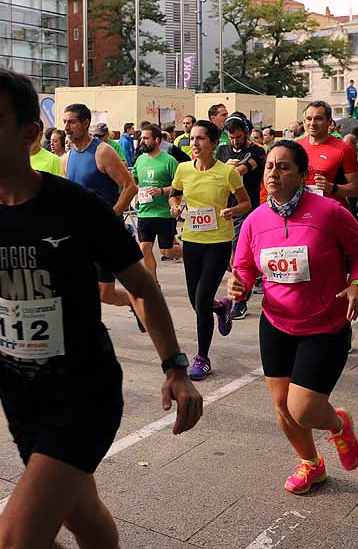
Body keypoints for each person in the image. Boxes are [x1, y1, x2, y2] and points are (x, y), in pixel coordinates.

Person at [0, 68, 203, 549]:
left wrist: (175, 367)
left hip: (84, 393)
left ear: (29, 133)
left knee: (14, 540)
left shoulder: (77, 208)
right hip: (18, 397)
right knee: (82, 516)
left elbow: (143, 288)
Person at [229, 139, 358, 494]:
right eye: (269, 167)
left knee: (304, 408)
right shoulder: (255, 220)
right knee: (282, 406)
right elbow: (245, 264)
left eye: (284, 166)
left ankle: (337, 424)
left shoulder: (330, 212)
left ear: (302, 174)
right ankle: (311, 463)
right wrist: (240, 284)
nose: (273, 173)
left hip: (325, 324)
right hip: (276, 322)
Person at [169, 119, 251, 380]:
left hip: (217, 242)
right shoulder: (183, 169)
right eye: (192, 138)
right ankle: (220, 308)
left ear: (214, 143)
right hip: (192, 240)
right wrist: (174, 206)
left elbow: (246, 203)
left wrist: (232, 210)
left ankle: (202, 357)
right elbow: (174, 194)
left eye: (201, 138)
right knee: (196, 300)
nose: (194, 143)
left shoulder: (228, 173)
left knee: (202, 298)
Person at [61, 104, 145, 322]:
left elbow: (130, 187)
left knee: (105, 293)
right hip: (80, 236)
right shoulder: (66, 158)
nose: (66, 128)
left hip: (105, 236)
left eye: (71, 122)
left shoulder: (102, 151)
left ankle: (134, 300)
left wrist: (109, 218)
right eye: (64, 122)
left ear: (85, 123)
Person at [217, 114, 266, 321]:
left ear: (246, 133)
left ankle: (240, 302)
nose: (235, 141)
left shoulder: (257, 150)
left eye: (238, 137)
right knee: (228, 258)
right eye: (231, 137)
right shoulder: (222, 150)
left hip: (248, 209)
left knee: (238, 257)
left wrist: (227, 168)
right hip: (224, 209)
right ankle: (257, 273)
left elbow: (242, 170)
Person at [134, 124, 181, 278]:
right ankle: (153, 285)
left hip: (163, 213)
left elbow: (179, 186)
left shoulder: (169, 161)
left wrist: (161, 191)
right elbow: (133, 180)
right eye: (142, 138)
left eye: (146, 138)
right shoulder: (140, 159)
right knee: (144, 249)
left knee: (167, 251)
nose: (142, 141)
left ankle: (194, 251)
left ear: (157, 140)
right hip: (144, 212)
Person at [297, 101, 358, 203]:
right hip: (300, 211)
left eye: (318, 119)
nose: (312, 123)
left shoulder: (343, 149)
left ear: (329, 122)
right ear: (304, 122)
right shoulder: (295, 147)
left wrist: (332, 188)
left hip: (331, 213)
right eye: (308, 119)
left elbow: (356, 189)